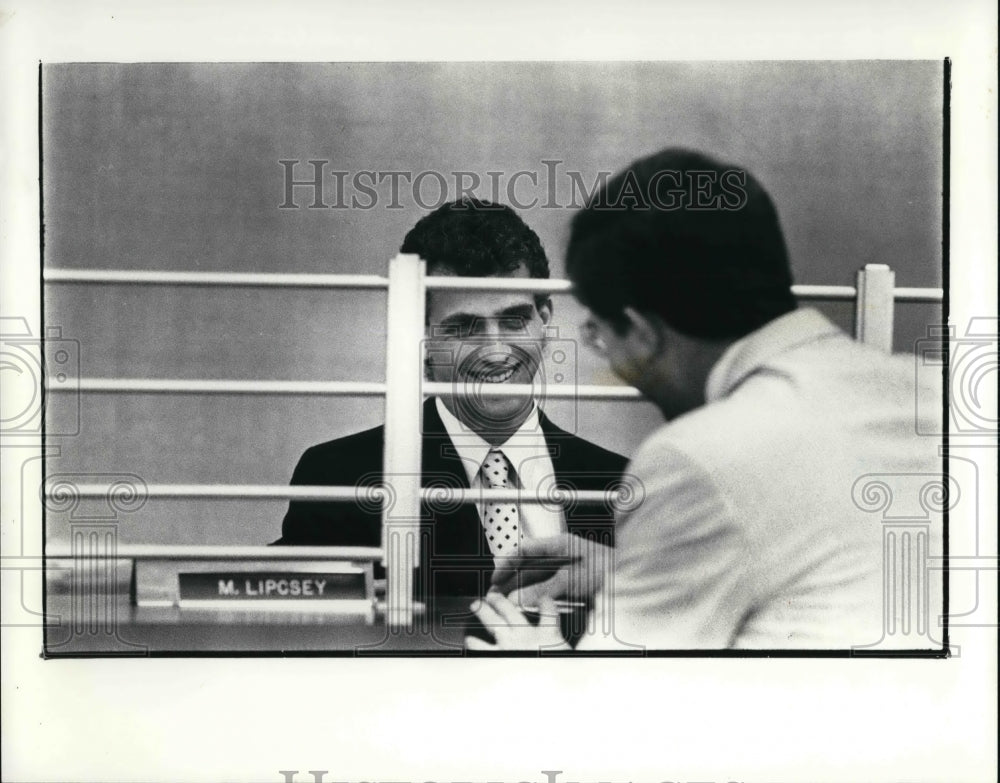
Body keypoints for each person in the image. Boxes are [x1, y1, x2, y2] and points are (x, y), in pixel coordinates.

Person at [467, 148, 942, 651]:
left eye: (602, 336)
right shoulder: (938, 394)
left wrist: (534, 669)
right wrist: (633, 572)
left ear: (643, 332)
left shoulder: (693, 458)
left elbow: (610, 712)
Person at [276, 198, 627, 605]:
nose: (496, 352)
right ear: (418, 340)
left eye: (514, 320)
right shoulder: (341, 477)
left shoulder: (619, 481)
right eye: (463, 328)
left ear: (545, 320)